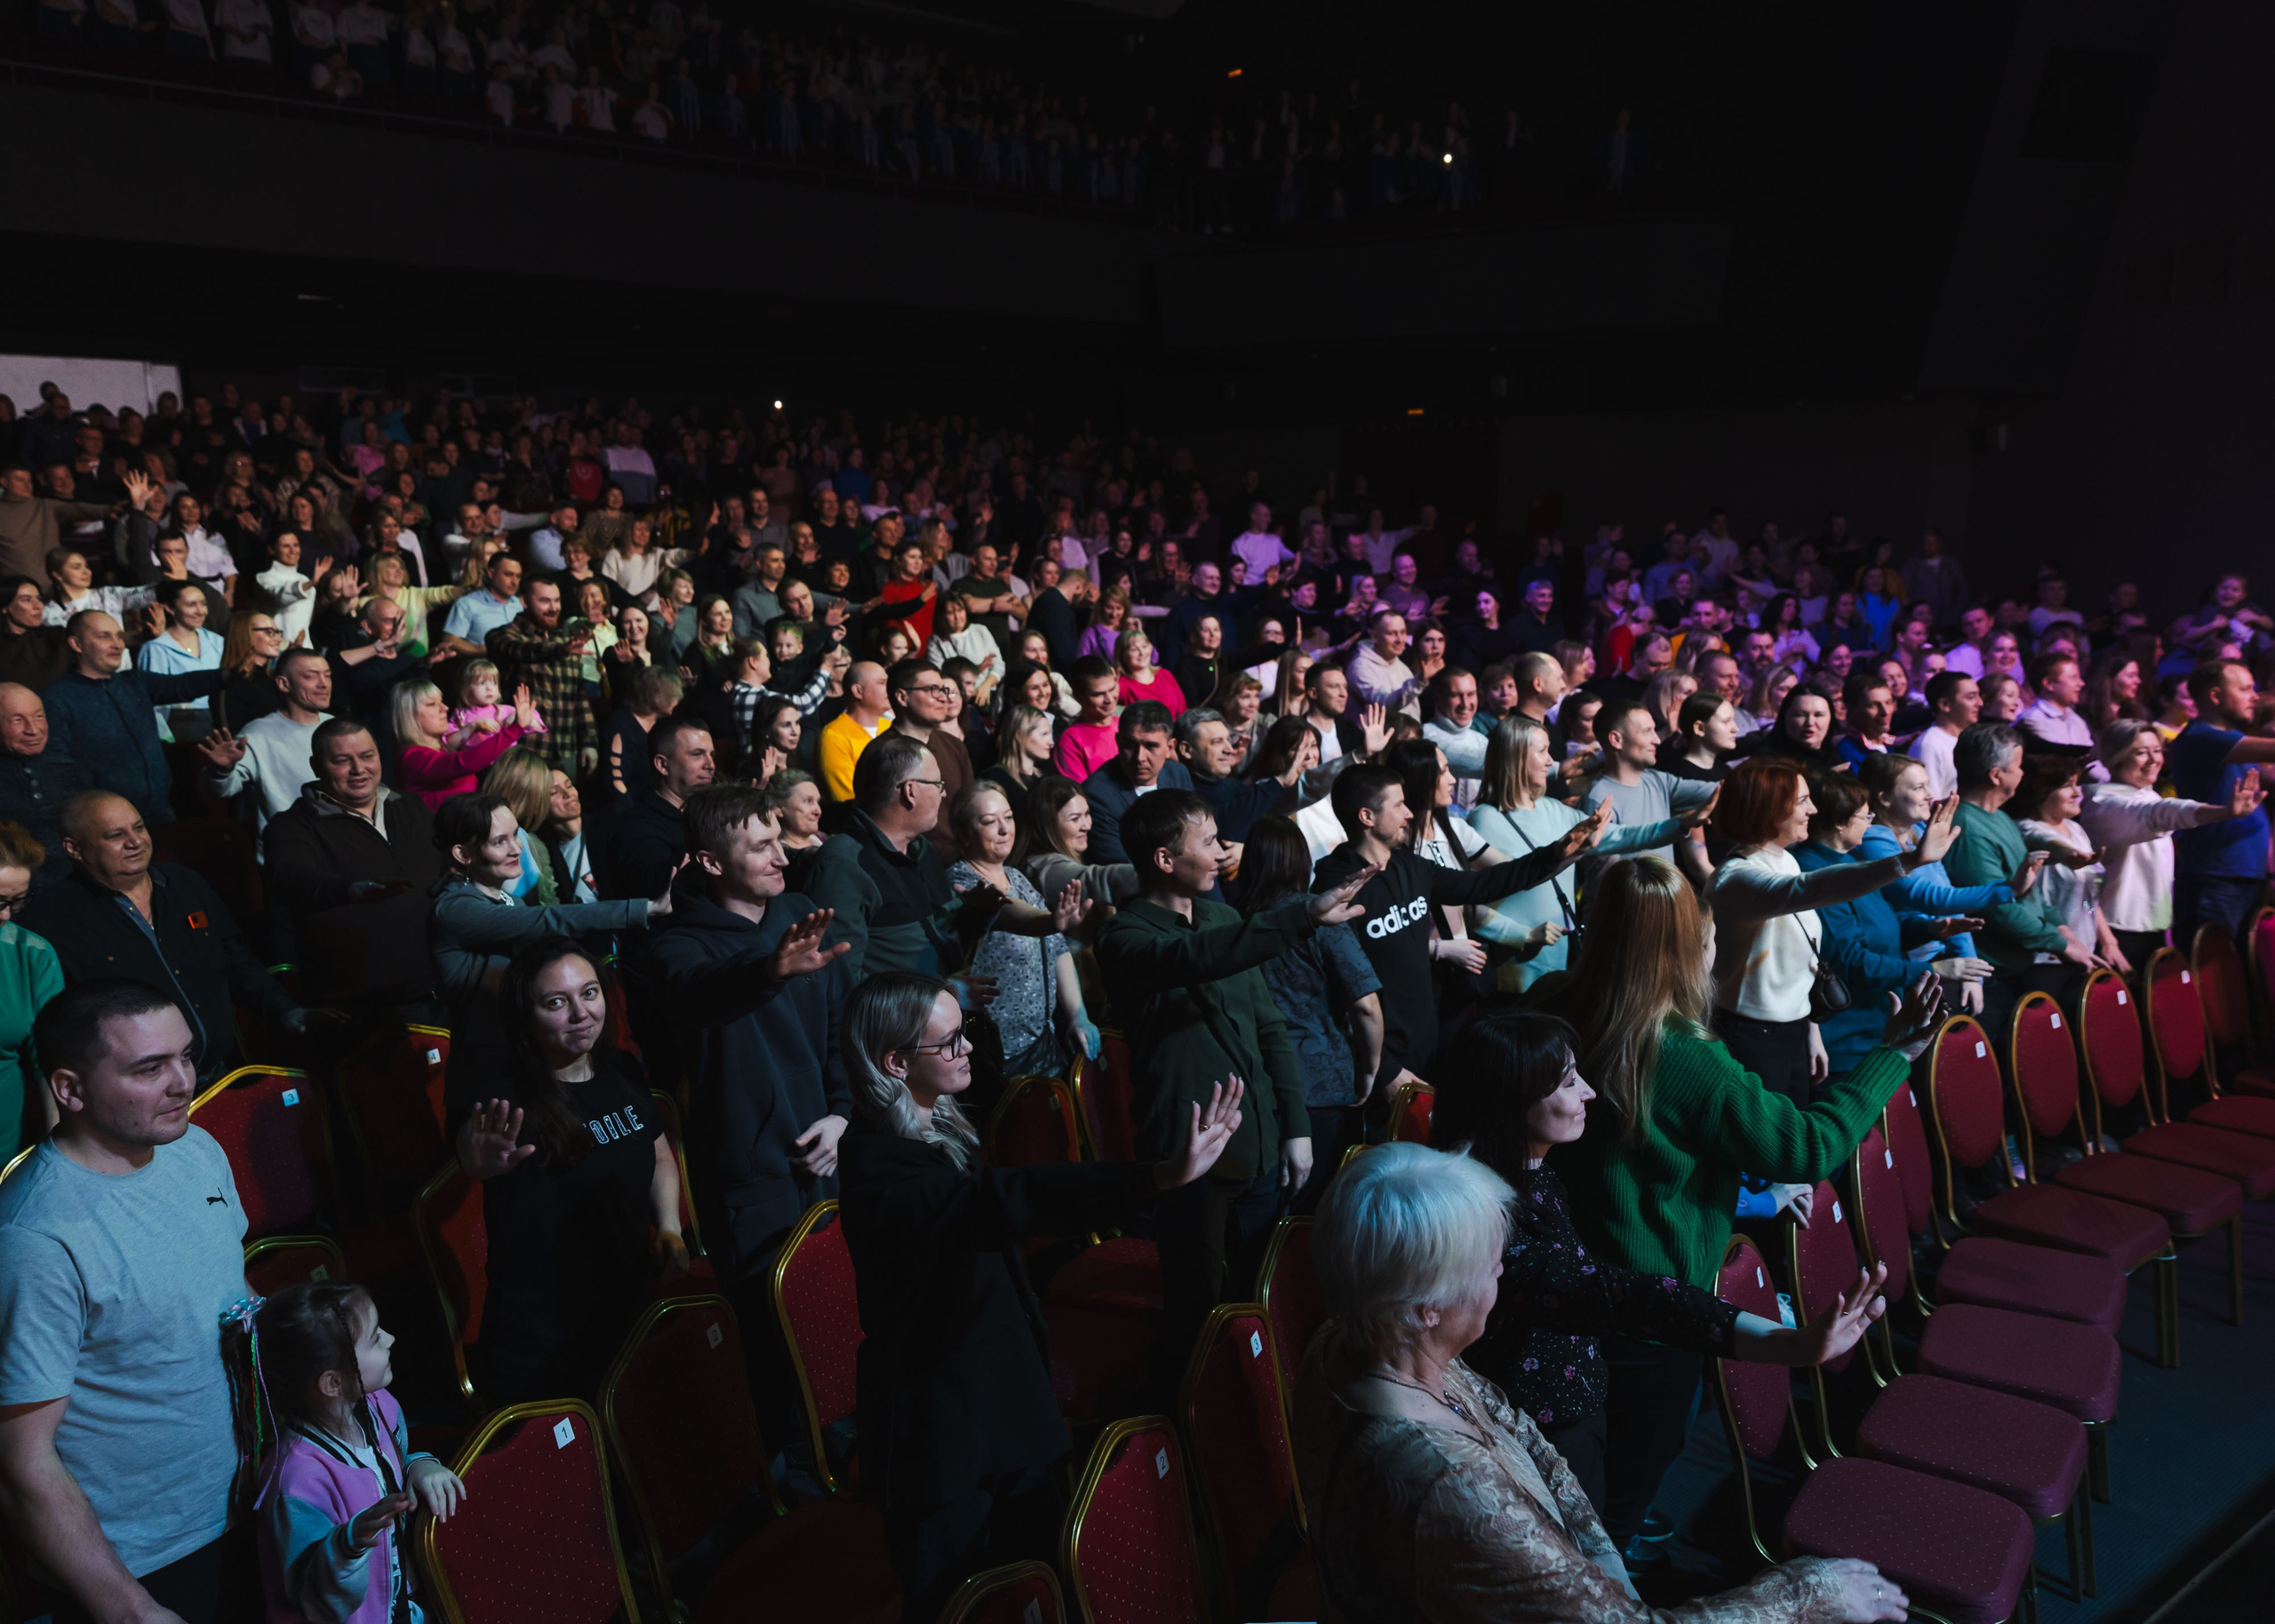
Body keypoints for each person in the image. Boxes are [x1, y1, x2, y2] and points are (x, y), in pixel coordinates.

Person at [1295, 1140, 1907, 1624]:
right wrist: (1808, 1593)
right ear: (1428, 1307)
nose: (1502, 1272)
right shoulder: (1449, 1488)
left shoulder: (1355, 1338)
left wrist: (1605, 1567)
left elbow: (1516, 1427)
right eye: (1489, 1265)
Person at [1542, 854, 1947, 1550]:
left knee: (1587, 1464)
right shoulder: (1685, 1054)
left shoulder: (1553, 1001)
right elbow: (1809, 1148)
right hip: (1658, 1308)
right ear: (1686, 947)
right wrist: (1893, 1057)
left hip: (1568, 1290)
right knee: (1635, 1471)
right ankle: (1610, 1569)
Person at [835, 972, 1248, 1621]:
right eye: (949, 1043)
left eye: (963, 1033)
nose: (967, 1049)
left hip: (999, 1391)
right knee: (966, 1597)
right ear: (894, 1063)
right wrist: (1155, 1176)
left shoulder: (932, 1121)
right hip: (944, 1435)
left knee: (1043, 1575)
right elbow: (1011, 1198)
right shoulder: (880, 1174)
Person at [1434, 1012, 1890, 1512]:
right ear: (1511, 1101)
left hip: (1571, 1403)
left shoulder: (1533, 1170)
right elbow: (1629, 1298)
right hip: (1542, 1429)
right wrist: (1790, 1343)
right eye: (1568, 1083)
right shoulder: (1494, 1218)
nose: (1589, 1092)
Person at [0, 983, 261, 1624]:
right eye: (149, 1068)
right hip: (148, 1558)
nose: (182, 1083)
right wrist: (128, 1609)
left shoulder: (195, 1150)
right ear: (70, 1088)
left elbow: (228, 1292)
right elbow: (21, 1459)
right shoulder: (35, 1236)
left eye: (185, 1057)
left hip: (255, 1499)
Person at [1094, 790, 1377, 1379]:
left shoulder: (1224, 916)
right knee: (1195, 1313)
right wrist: (1302, 916)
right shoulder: (1124, 937)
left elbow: (1270, 1029)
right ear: (1166, 860)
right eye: (1208, 841)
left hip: (1258, 1141)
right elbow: (1195, 957)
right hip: (1188, 1149)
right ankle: (1192, 1430)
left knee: (1261, 1295)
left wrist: (1296, 1128)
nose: (1223, 851)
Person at [450, 941, 685, 1402]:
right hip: (544, 1334)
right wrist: (476, 1160)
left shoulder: (620, 1069)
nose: (581, 1013)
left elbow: (657, 1155)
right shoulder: (505, 1097)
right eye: (556, 1002)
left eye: (590, 993)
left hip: (628, 1303)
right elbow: (472, 1151)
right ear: (526, 1018)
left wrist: (670, 1226)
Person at [1319, 763, 1605, 1097]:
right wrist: (1384, 1070)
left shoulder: (1409, 866)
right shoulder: (1334, 890)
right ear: (1367, 817)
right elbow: (1335, 995)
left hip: (1429, 1045)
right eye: (1398, 805)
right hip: (1381, 1067)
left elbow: (1483, 884)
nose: (1409, 814)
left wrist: (1556, 853)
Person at [1705, 759, 1956, 1104]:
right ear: (1767, 807)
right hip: (1751, 1036)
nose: (1812, 809)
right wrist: (1907, 862)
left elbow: (1803, 961)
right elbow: (1810, 888)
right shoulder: (1735, 877)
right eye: (1801, 801)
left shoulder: (1784, 859)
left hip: (1789, 1030)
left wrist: (1811, 1030)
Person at [23, 792, 318, 1083]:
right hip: (133, 1099)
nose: (135, 841)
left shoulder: (185, 884)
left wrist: (285, 1010)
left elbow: (238, 962)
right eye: (115, 835)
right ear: (74, 849)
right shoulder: (50, 920)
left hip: (219, 1075)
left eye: (139, 827)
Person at [231, 1281, 467, 1624]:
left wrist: (420, 1467)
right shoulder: (296, 1480)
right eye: (375, 1338)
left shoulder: (379, 1407)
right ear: (333, 1383)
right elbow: (317, 1606)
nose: (390, 1339)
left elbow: (394, 1475)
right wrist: (346, 1546)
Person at [427, 793, 671, 1076]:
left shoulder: (507, 900)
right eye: (499, 841)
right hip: (485, 1068)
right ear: (463, 854)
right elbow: (546, 919)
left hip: (519, 1057)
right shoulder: (454, 909)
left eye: (515, 835)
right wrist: (644, 909)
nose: (517, 848)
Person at [1468, 716, 1692, 993]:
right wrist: (1523, 935)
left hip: (1563, 962)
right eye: (1542, 752)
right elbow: (1468, 905)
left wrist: (1681, 824)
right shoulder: (1484, 820)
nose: (1551, 761)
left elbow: (1621, 836)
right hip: (1516, 972)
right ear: (1514, 757)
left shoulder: (1554, 809)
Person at [1792, 775, 1992, 1072]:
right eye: (1865, 816)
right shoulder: (1817, 871)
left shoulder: (1848, 862)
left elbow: (1877, 926)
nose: (1871, 824)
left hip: (1874, 1023)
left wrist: (1928, 930)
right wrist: (1934, 969)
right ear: (1840, 823)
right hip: (1850, 1037)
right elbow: (1852, 961)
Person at [1236, 816, 1384, 1208]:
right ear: (1301, 861)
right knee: (1316, 1212)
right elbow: (1366, 1005)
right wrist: (1369, 1069)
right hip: (1321, 1082)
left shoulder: (1235, 922)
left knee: (1266, 1209)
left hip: (1257, 1087)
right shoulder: (1319, 916)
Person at [262, 718, 443, 1028]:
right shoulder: (292, 825)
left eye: (367, 756)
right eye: (342, 761)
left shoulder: (410, 806)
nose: (359, 769)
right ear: (317, 766)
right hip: (367, 1001)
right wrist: (349, 890)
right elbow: (292, 877)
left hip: (443, 981)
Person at [805, 733, 1004, 981]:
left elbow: (942, 935)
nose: (943, 795)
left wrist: (977, 914)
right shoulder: (844, 864)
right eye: (938, 785)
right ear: (910, 791)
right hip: (904, 1018)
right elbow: (840, 981)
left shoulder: (920, 848)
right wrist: (940, 994)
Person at [1941, 722, 2093, 1039]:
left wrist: (2061, 926)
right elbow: (1996, 910)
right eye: (2018, 766)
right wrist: (2059, 943)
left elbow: (2030, 889)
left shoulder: (2000, 817)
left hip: (2016, 971)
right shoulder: (1968, 828)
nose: (2022, 773)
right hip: (1992, 978)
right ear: (1996, 775)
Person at [2083, 718, 2264, 972]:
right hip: (2117, 934)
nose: (2153, 759)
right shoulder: (2103, 803)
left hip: (2154, 931)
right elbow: (2161, 813)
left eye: (2156, 750)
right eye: (2140, 752)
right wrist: (2223, 812)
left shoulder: (2147, 794)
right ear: (2117, 756)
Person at [944, 784, 1096, 1077]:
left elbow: (1058, 949)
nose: (1004, 829)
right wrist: (1049, 921)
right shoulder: (962, 881)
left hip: (1042, 1041)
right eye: (990, 821)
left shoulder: (1016, 876)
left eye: (1009, 817)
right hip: (999, 1051)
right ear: (964, 834)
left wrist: (1078, 1015)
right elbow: (1008, 911)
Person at [41, 610, 227, 822]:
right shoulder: (55, 699)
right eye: (104, 636)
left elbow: (181, 685)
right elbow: (57, 767)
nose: (117, 644)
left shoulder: (133, 681)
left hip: (160, 810)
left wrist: (228, 675)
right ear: (76, 644)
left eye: (119, 636)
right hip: (105, 821)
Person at [2168, 659, 2275, 942]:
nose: (2255, 696)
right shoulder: (2200, 737)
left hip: (2241, 875)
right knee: (2214, 975)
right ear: (2215, 696)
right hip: (2214, 876)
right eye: (2244, 689)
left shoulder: (2230, 741)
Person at [194, 647, 331, 832]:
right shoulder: (258, 734)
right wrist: (221, 770)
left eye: (328, 675)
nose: (323, 684)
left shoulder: (335, 726)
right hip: (290, 847)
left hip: (341, 840)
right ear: (284, 684)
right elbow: (217, 791)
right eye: (310, 676)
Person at [2009, 754, 2126, 973]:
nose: (2077, 792)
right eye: (2067, 786)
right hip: (2047, 957)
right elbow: (2044, 841)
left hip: (2084, 953)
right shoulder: (2025, 829)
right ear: (2041, 792)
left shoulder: (2075, 829)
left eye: (2077, 784)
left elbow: (2087, 899)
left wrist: (2109, 943)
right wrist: (2069, 854)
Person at [1582, 700, 1721, 879]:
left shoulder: (1658, 780)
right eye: (1647, 732)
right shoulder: (1598, 799)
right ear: (1616, 740)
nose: (1656, 739)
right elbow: (1611, 881)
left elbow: (1718, 790)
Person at [603, 714, 715, 900]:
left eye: (712, 755)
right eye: (697, 754)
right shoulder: (636, 829)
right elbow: (662, 898)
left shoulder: (706, 814)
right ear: (663, 765)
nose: (710, 765)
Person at [0, 821, 61, 1158]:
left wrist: (59, 1153)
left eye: (17, 902)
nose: (6, 915)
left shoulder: (31, 953)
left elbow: (50, 1062)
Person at [1080, 699, 1198, 866]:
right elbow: (1122, 868)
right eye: (1130, 745)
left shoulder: (1178, 774)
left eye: (1151, 746)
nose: (1139, 758)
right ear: (1118, 741)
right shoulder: (1097, 796)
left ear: (1170, 748)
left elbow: (1195, 832)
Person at [0, 681, 92, 892]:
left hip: (77, 891)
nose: (33, 730)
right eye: (17, 720)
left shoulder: (71, 770)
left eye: (39, 716)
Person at [393, 675, 533, 809]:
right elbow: (464, 763)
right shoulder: (412, 758)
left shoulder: (442, 749)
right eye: (432, 704)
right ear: (409, 715)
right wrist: (514, 729)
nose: (445, 708)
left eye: (441, 701)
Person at [1019, 776, 1138, 911]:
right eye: (1075, 819)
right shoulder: (1044, 869)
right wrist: (1156, 873)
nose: (1086, 826)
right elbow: (1099, 880)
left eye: (1087, 814)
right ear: (1047, 826)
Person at [818, 660, 893, 803]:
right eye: (882, 683)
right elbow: (848, 800)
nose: (889, 688)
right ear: (858, 691)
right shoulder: (834, 736)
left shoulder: (890, 727)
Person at [1907, 670, 1980, 800]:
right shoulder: (1929, 745)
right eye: (1971, 697)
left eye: (1979, 696)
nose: (1980, 703)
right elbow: (1929, 801)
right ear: (1944, 704)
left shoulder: (1972, 739)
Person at [1050, 656, 1122, 782]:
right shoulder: (1070, 741)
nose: (1109, 699)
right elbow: (1080, 793)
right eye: (1098, 694)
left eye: (1112, 689)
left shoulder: (1123, 724)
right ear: (1078, 696)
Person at [2016, 652, 2092, 756]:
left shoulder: (2077, 720)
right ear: (2048, 684)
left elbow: (2090, 760)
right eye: (2073, 677)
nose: (2081, 683)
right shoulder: (2032, 719)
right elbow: (2059, 760)